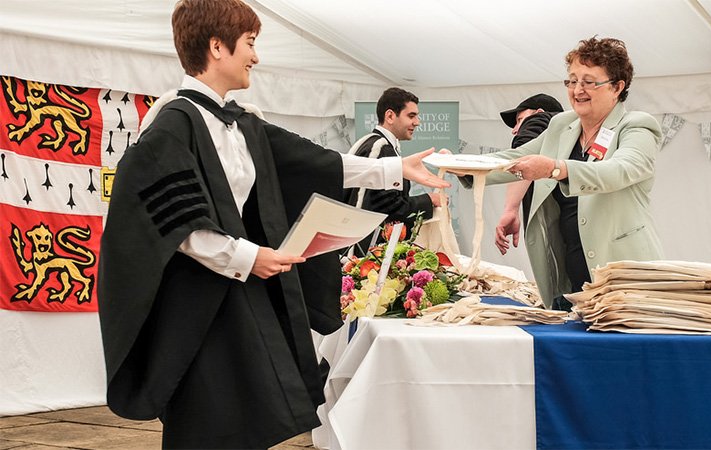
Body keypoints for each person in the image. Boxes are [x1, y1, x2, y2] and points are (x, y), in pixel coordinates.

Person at [96, 0, 448, 448]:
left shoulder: (243, 123)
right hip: (197, 301)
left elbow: (313, 161)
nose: (257, 57)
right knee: (206, 418)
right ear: (217, 47)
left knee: (248, 413)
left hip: (240, 290)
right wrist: (248, 256)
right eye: (250, 44)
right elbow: (172, 222)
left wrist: (396, 170)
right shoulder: (171, 128)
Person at [469, 37, 663, 311]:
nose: (577, 90)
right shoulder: (563, 125)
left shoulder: (637, 127)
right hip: (572, 284)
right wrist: (458, 165)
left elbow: (618, 171)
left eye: (589, 81)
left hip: (626, 285)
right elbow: (513, 159)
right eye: (572, 81)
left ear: (617, 87)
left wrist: (555, 168)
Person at [344, 87, 441, 236]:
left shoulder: (370, 143)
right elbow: (385, 208)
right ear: (390, 116)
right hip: (369, 249)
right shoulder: (380, 148)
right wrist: (428, 200)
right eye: (411, 116)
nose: (417, 122)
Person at [494, 93, 563, 255]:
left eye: (519, 120)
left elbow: (522, 159)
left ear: (539, 113)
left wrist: (511, 209)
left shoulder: (541, 119)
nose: (515, 130)